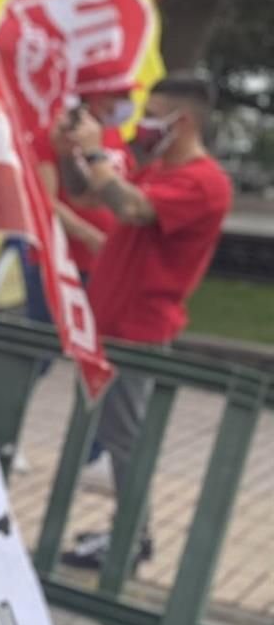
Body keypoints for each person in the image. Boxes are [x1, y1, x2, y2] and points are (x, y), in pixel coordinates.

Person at [52, 74, 234, 569]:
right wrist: (68, 151)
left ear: (185, 121)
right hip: (110, 323)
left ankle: (132, 539)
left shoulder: (204, 181)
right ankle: (129, 530)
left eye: (153, 113)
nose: (142, 123)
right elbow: (90, 196)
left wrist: (92, 154)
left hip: (141, 330)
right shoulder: (154, 168)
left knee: (126, 439)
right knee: (116, 436)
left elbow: (130, 209)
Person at [39, 69, 136, 283]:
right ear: (95, 97)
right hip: (64, 262)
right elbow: (45, 200)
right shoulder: (55, 134)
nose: (128, 104)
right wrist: (89, 236)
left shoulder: (113, 133)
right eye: (120, 97)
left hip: (108, 261)